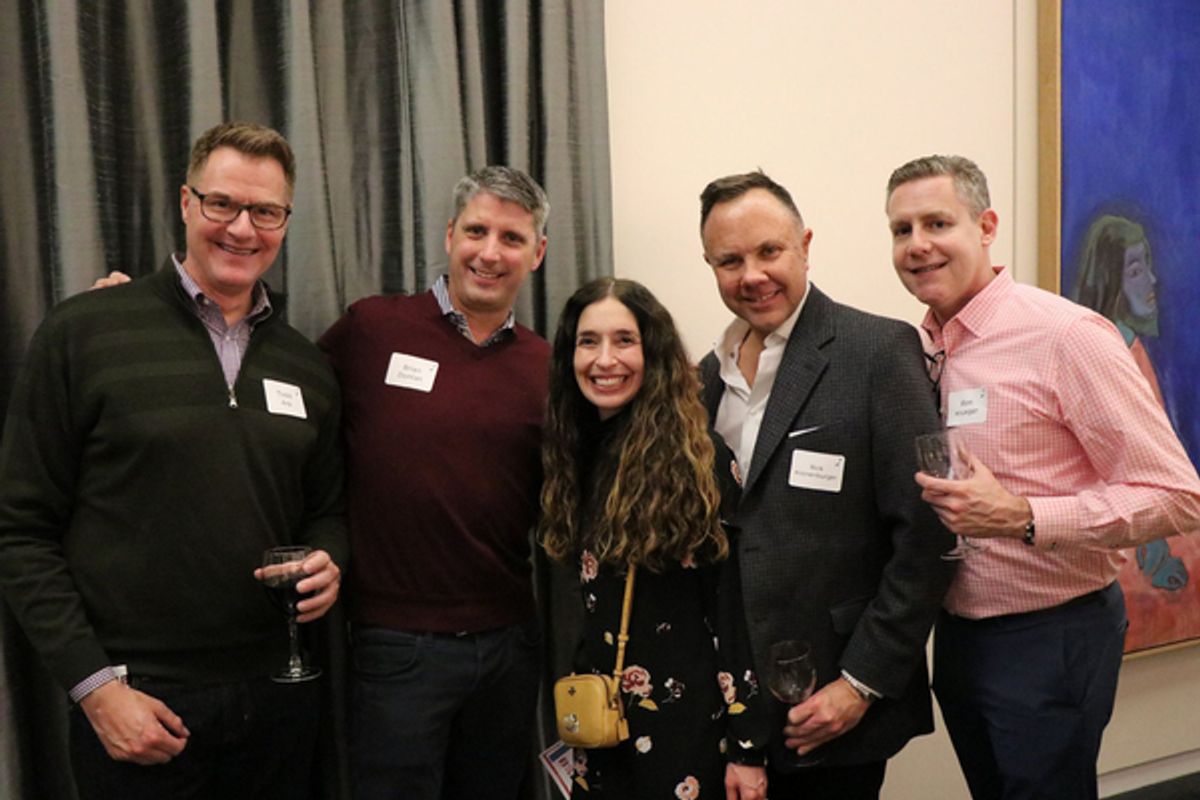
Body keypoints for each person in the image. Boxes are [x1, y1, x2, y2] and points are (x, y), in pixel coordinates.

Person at [0, 121, 347, 800]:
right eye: (222, 204)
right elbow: (20, 530)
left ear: (286, 220)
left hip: (277, 698)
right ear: (186, 203)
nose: (242, 229)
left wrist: (331, 560)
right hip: (137, 703)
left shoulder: (308, 366)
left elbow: (328, 509)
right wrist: (96, 690)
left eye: (266, 212)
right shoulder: (85, 332)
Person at [884, 154, 1200, 800]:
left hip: (1052, 635)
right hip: (960, 634)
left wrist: (1024, 517)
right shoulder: (919, 348)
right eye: (901, 229)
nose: (917, 246)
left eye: (937, 222)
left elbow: (1178, 496)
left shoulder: (1064, 336)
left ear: (986, 225)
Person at [696, 171, 956, 800]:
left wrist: (861, 681)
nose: (751, 274)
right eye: (729, 260)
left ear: (805, 245)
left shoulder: (879, 351)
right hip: (738, 710)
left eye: (768, 251)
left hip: (835, 697)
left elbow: (930, 536)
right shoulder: (707, 374)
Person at [317, 166, 550, 800]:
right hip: (397, 648)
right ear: (450, 236)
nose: (490, 252)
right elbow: (272, 388)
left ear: (538, 252)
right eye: (477, 230)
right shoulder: (371, 330)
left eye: (511, 237)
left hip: (508, 645)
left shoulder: (548, 366)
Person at [540, 277, 770, 800]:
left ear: (654, 353)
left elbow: (733, 607)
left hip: (686, 729)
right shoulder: (575, 451)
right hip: (601, 721)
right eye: (588, 341)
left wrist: (747, 748)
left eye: (624, 340)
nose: (604, 360)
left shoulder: (699, 459)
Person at [1071, 213, 1163, 404]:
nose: (1152, 279)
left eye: (1148, 266)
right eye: (1136, 272)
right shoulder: (1125, 351)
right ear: (1110, 281)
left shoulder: (1128, 346)